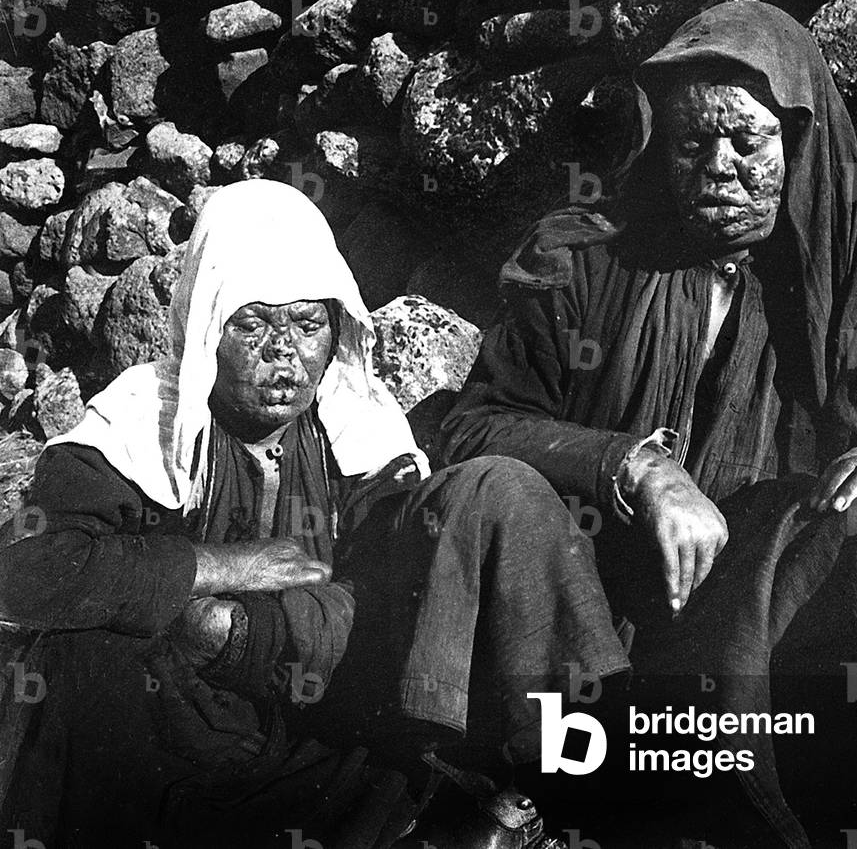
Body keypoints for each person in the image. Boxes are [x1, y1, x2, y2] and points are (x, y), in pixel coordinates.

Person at [438, 1, 857, 847]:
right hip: (602, 630)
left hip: (789, 640)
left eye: (747, 142)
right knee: (494, 491)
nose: (717, 167)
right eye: (691, 143)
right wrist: (635, 465)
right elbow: (475, 428)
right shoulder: (588, 273)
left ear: (800, 147)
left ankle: (786, 802)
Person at [0, 180, 631, 849]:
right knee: (77, 656)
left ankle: (551, 784)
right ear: (208, 326)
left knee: (497, 489)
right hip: (166, 732)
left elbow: (402, 595)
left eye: (307, 324)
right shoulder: (142, 420)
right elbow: (26, 571)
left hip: (315, 727)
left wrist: (248, 630)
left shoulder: (356, 426)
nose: (284, 351)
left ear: (336, 331)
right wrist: (218, 566)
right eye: (252, 324)